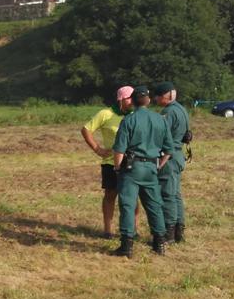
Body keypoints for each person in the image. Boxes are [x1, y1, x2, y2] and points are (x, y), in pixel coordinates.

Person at [110, 86, 174, 257]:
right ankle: (159, 243)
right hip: (151, 168)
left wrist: (117, 167)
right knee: (154, 205)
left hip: (131, 169)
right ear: (148, 100)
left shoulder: (129, 120)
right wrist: (158, 165)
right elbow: (169, 150)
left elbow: (119, 149)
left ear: (132, 101)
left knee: (128, 206)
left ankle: (126, 246)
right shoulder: (161, 120)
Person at [81, 85, 135, 237]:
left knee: (133, 197)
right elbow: (86, 129)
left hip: (133, 162)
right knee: (110, 196)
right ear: (121, 100)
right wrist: (98, 149)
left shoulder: (136, 114)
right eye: (129, 98)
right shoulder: (105, 114)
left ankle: (133, 230)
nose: (132, 101)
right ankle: (108, 230)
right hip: (111, 163)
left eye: (134, 97)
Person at [153, 81, 189, 243]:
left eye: (157, 96)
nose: (155, 99)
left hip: (169, 158)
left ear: (164, 96)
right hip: (178, 155)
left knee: (167, 195)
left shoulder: (168, 112)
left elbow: (160, 135)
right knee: (175, 194)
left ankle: (169, 233)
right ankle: (179, 231)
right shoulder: (181, 109)